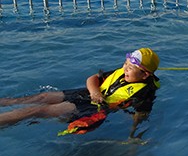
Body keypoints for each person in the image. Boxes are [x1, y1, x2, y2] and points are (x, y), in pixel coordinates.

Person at [0, 48, 160, 138]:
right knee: (43, 97)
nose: (125, 68)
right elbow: (92, 79)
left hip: (94, 106)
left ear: (145, 75)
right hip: (90, 93)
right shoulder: (121, 72)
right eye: (125, 63)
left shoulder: (145, 93)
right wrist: (95, 91)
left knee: (39, 110)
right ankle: (6, 102)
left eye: (130, 68)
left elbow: (140, 116)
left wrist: (132, 136)